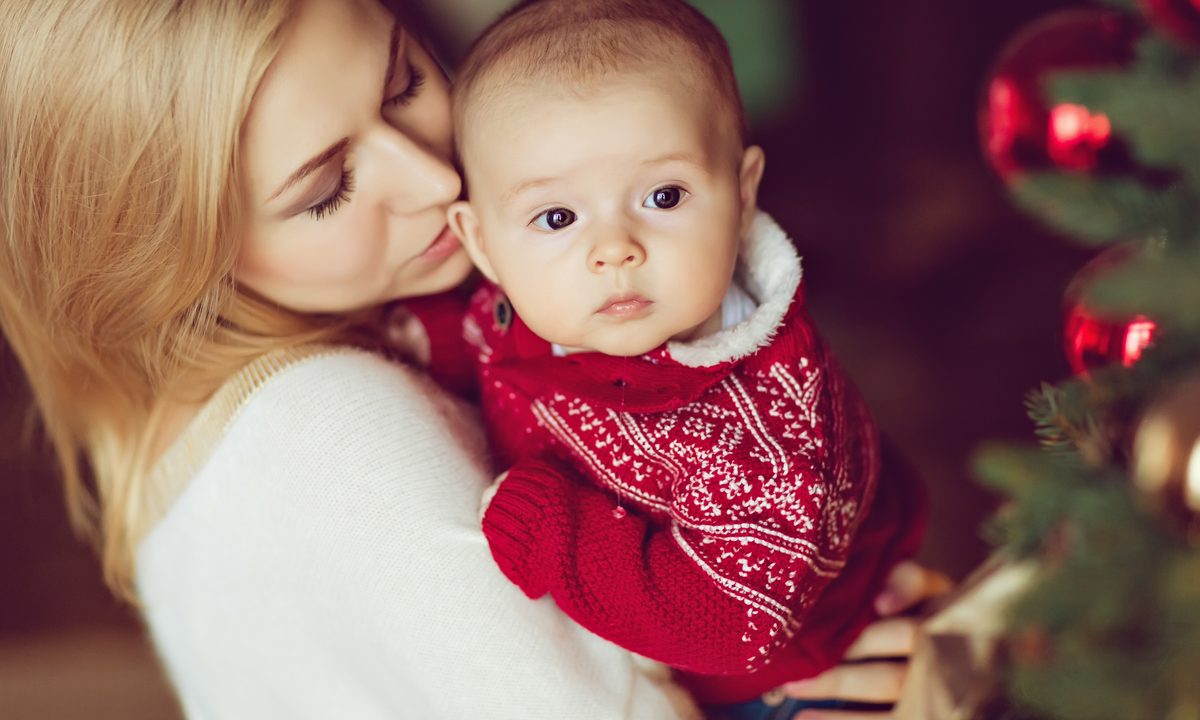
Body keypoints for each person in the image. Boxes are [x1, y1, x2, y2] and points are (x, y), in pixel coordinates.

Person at [0, 0, 948, 718]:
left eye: (404, 82)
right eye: (327, 188)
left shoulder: (239, 408)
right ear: (165, 257)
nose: (437, 178)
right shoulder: (339, 431)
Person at [439, 1, 925, 717]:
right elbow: (481, 341)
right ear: (482, 244)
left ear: (741, 190)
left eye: (664, 196)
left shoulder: (757, 430)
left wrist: (553, 532)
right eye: (557, 217)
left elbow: (728, 625)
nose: (615, 249)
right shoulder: (525, 303)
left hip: (779, 678)